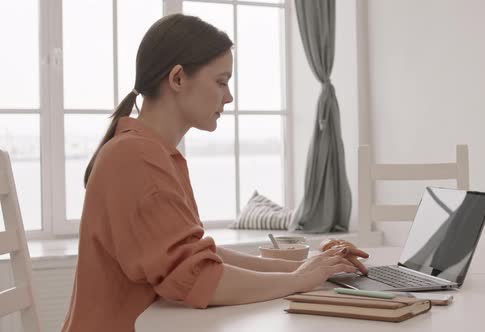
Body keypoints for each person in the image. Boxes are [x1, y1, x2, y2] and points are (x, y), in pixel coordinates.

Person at [61, 14, 368, 332]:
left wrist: (301, 266)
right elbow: (198, 277)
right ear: (178, 78)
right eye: (221, 81)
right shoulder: (136, 157)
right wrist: (297, 279)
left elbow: (201, 258)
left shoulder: (151, 152)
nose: (229, 96)